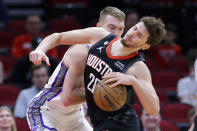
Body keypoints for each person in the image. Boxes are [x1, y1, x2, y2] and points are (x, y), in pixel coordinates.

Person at [29, 15, 165, 130]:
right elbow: (59, 37)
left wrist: (134, 81)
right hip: (91, 120)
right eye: (135, 28)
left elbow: (153, 109)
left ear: (145, 46)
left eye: (139, 35)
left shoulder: (137, 67)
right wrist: (40, 50)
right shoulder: (100, 36)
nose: (132, 34)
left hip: (120, 123)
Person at [27, 6, 125, 131]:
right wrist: (40, 49)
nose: (115, 34)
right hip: (47, 112)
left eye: (120, 29)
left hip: (75, 117)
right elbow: (58, 37)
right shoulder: (81, 51)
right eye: (111, 28)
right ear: (98, 28)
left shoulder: (116, 59)